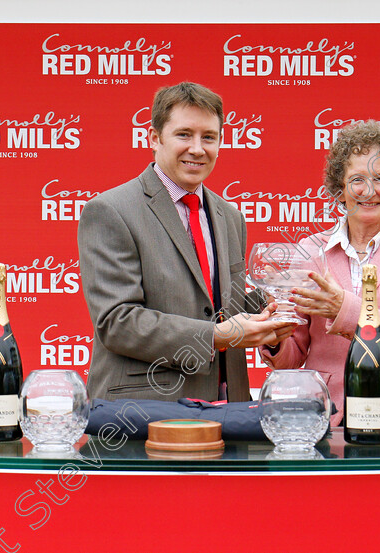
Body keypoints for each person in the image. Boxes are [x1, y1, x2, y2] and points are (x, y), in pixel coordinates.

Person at [78, 82, 296, 403]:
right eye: (184, 134)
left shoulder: (230, 216)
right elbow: (117, 322)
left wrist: (276, 308)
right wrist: (217, 337)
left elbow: (222, 308)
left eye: (209, 137)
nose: (197, 148)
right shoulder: (111, 210)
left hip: (228, 408)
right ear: (154, 138)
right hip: (143, 412)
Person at [260, 120, 380, 426]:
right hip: (325, 413)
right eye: (357, 179)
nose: (368, 190)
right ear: (340, 189)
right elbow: (292, 358)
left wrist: (344, 308)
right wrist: (277, 334)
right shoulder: (309, 252)